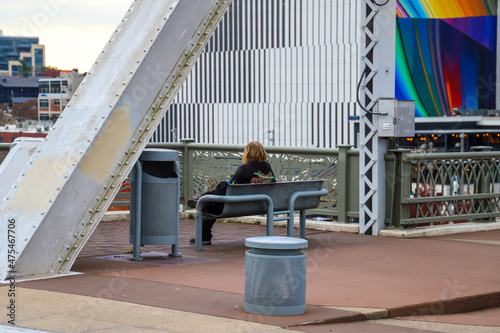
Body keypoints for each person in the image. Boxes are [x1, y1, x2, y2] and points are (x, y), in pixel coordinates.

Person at [188, 141, 276, 245]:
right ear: (262, 153)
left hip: (236, 205)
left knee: (208, 204)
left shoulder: (245, 168)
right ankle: (203, 200)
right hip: (259, 205)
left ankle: (204, 235)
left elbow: (231, 185)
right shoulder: (269, 170)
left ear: (247, 153)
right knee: (209, 199)